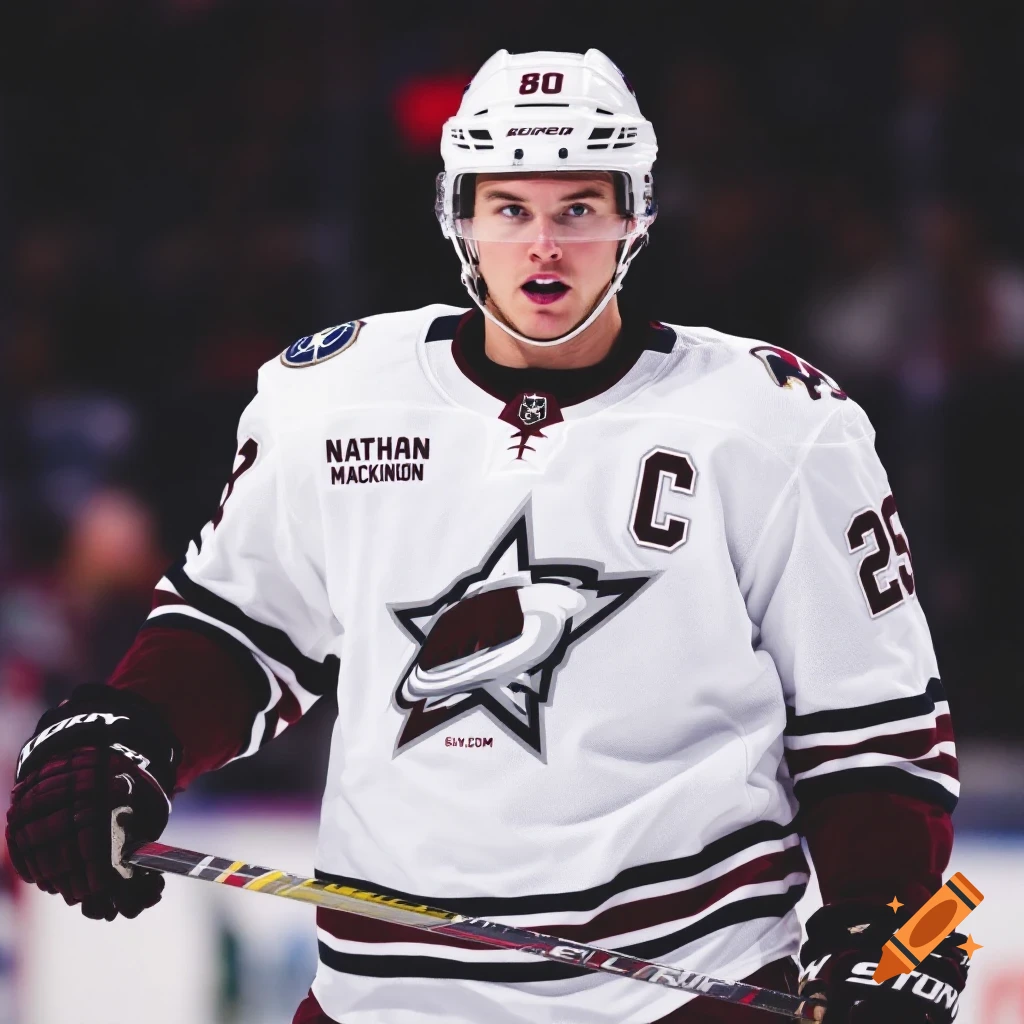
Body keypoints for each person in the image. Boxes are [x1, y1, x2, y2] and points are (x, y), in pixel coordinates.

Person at [6, 49, 969, 1023]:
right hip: (386, 998)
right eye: (510, 208)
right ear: (458, 215)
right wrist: (128, 734)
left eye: (577, 209)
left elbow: (872, 725)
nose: (543, 246)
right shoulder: (331, 399)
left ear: (634, 214)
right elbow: (240, 630)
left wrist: (884, 925)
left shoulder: (778, 424)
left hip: (678, 994)